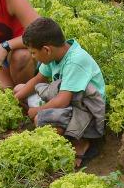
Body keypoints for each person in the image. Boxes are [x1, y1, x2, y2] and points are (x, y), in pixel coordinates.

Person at [13, 17, 107, 167]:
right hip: (67, 99)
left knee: (40, 120)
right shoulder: (55, 56)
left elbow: (63, 100)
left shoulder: (75, 60)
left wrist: (37, 110)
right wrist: (15, 98)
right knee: (20, 89)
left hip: (85, 109)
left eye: (33, 53)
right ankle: (59, 128)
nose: (32, 57)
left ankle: (81, 143)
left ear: (46, 50)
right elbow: (38, 79)